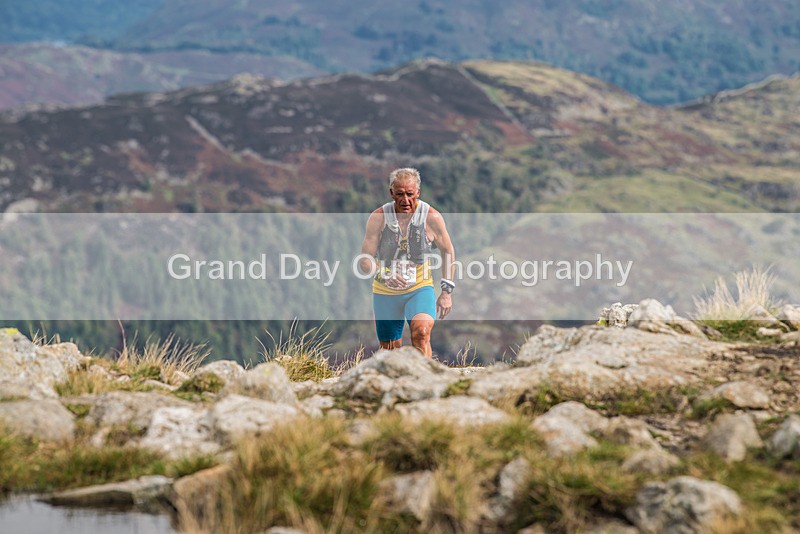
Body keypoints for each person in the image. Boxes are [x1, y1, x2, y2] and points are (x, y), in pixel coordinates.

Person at [358, 168, 456, 358]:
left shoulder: (431, 217)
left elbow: (448, 251)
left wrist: (446, 292)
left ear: (418, 193)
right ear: (391, 193)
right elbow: (364, 260)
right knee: (389, 350)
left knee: (421, 333)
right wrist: (384, 274)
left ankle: (425, 379)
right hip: (385, 292)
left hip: (419, 288)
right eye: (400, 194)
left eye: (410, 194)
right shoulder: (378, 218)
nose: (405, 200)